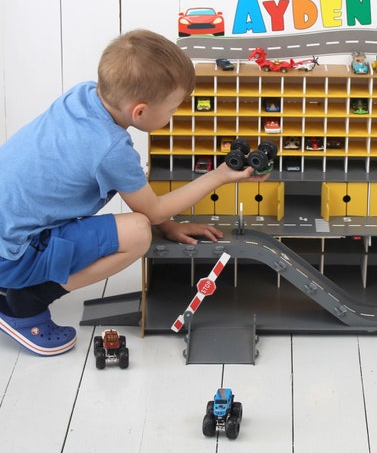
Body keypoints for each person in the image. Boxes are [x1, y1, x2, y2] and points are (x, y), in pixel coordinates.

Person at [0, 29, 269, 356]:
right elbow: (150, 211)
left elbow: (137, 193)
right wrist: (220, 176)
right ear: (140, 112)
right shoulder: (111, 148)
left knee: (145, 222)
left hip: (8, 230)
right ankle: (23, 301)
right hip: (13, 253)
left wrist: (169, 225)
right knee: (138, 233)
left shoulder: (82, 96)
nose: (173, 116)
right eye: (172, 109)